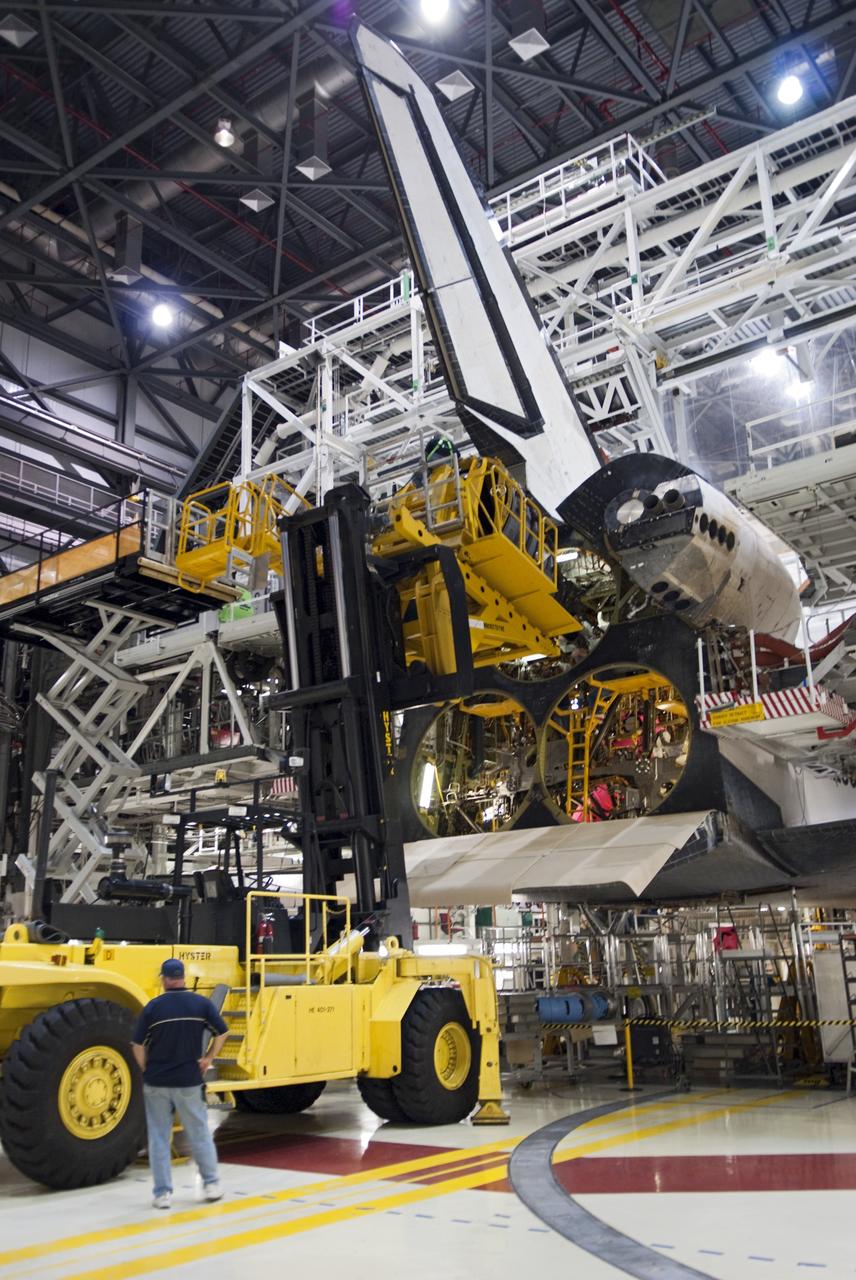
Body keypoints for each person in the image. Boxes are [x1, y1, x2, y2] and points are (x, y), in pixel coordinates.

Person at [131, 958, 228, 1210]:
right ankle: (211, 1184)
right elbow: (223, 1032)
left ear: (163, 979)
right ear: (183, 977)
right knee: (199, 1134)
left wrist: (146, 1068)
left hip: (157, 1082)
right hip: (188, 1081)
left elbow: (137, 1045)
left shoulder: (153, 1008)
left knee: (159, 1138)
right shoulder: (200, 1004)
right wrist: (208, 1058)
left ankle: (162, 1194)